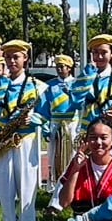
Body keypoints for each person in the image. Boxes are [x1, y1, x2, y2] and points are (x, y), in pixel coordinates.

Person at [0, 40, 48, 221]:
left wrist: (35, 119)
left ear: (26, 59)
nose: (12, 61)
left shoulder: (38, 86)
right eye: (8, 57)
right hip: (4, 141)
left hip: (26, 141)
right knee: (5, 188)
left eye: (16, 57)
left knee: (27, 186)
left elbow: (47, 115)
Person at [44, 54, 80, 188]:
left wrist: (71, 94)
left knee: (72, 153)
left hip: (72, 122)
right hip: (55, 122)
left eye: (63, 67)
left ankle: (72, 184)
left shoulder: (76, 84)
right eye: (58, 67)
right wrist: (46, 128)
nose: (60, 69)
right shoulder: (50, 85)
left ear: (69, 68)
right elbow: (45, 107)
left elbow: (80, 105)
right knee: (54, 155)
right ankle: (54, 185)